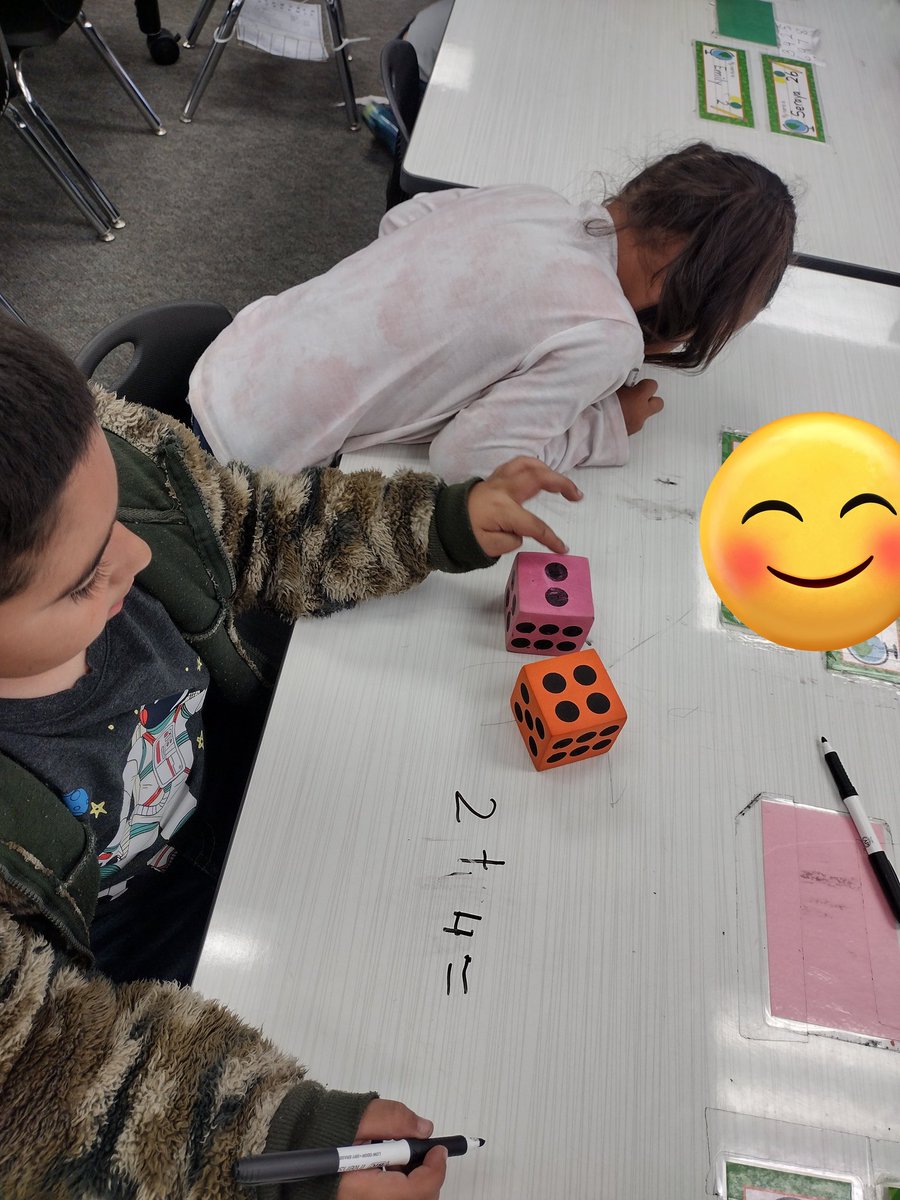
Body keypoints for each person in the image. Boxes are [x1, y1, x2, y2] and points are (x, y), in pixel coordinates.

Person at [0, 318, 580, 1197]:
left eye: (119, 508)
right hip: (110, 974)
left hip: (239, 820)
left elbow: (249, 526)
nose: (140, 554)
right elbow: (37, 1074)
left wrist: (439, 521)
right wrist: (278, 1144)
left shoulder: (113, 451)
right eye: (85, 578)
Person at [187, 142, 796, 484]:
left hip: (223, 361)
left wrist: (429, 308)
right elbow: (465, 459)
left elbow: (401, 221)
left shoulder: (535, 201)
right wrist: (604, 425)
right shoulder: (607, 337)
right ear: (695, 288)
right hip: (252, 468)